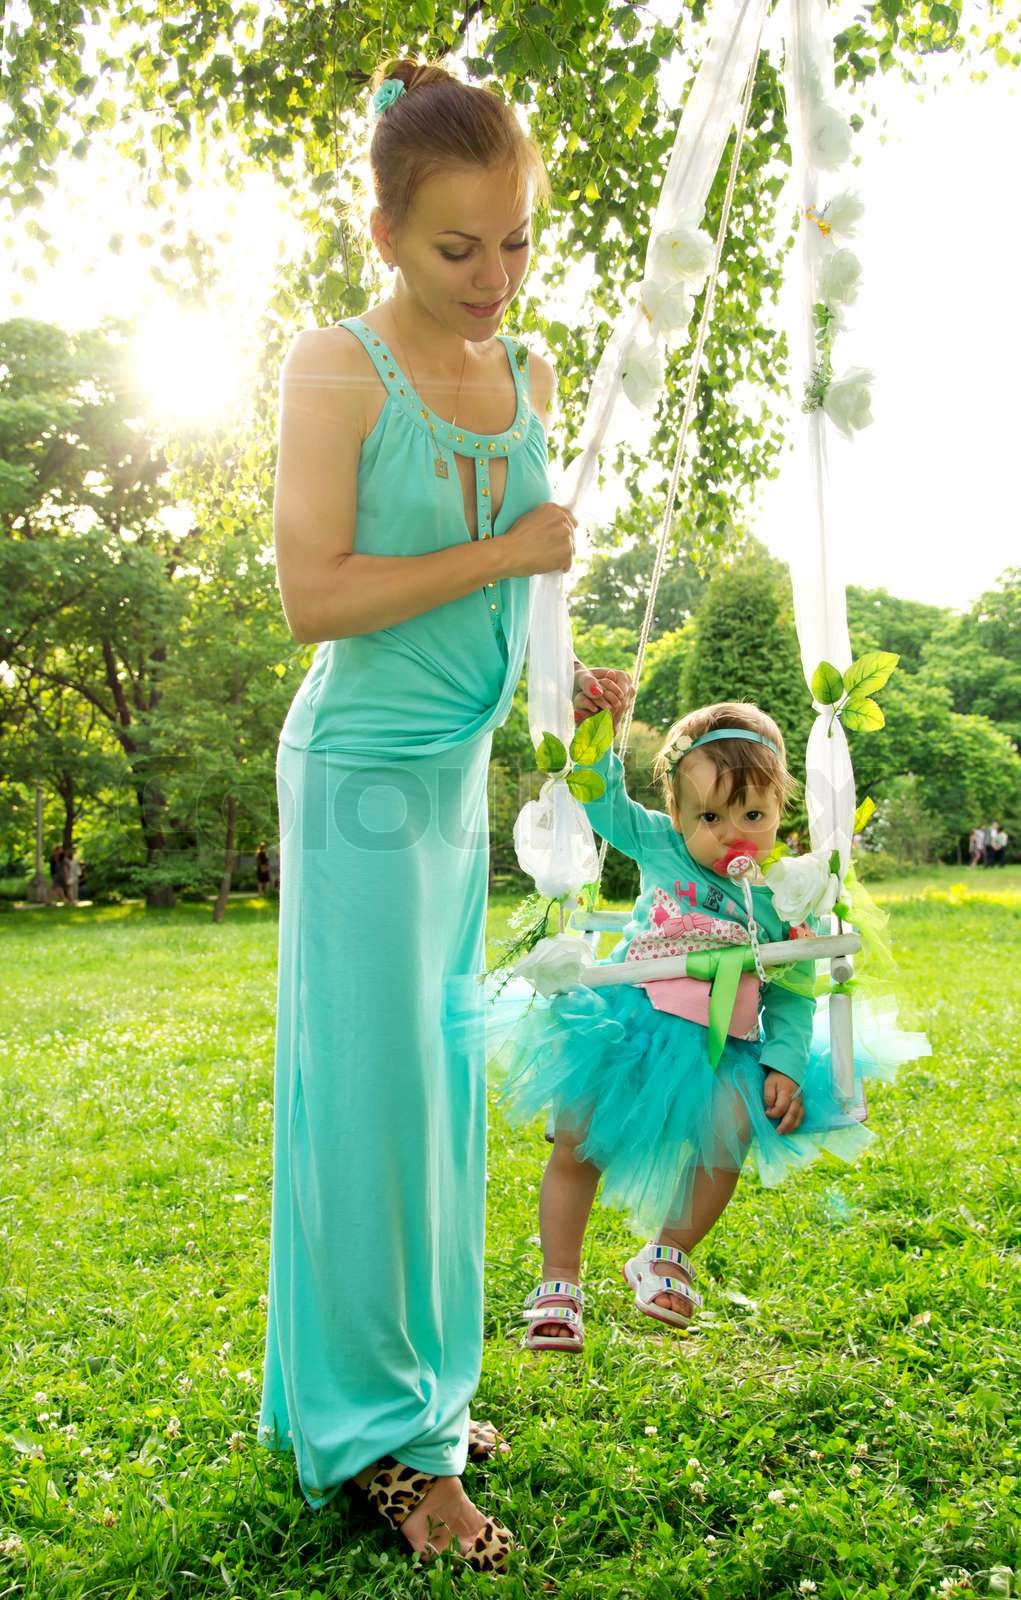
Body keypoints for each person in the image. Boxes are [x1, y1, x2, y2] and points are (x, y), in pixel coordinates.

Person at [257, 57, 630, 1573]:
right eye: (455, 248)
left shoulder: (528, 371)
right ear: (385, 233)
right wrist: (505, 565)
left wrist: (564, 662)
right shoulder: (332, 367)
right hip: (354, 776)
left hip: (454, 776)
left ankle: (408, 1398)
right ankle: (385, 1456)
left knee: (433, 1102)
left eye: (519, 241)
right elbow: (313, 596)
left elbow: (528, 573)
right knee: (371, 1112)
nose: (494, 278)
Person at [478, 701, 893, 1354]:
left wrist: (783, 1061)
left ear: (779, 810)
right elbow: (605, 803)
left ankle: (666, 1254)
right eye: (708, 816)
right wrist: (599, 731)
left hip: (720, 1047)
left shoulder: (781, 895)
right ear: (674, 813)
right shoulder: (660, 845)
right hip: (627, 1027)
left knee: (729, 1129)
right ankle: (558, 1283)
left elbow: (788, 993)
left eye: (752, 814)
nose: (732, 832)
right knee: (578, 1140)